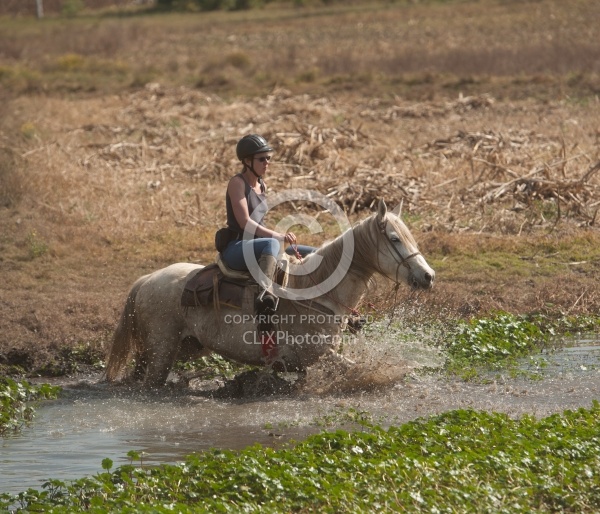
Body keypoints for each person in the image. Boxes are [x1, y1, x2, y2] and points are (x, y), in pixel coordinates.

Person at [221, 134, 313, 313]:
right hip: (236, 247)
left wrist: (278, 238)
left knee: (314, 252)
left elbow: (259, 223)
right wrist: (278, 236)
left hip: (260, 246)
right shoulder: (237, 183)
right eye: (262, 159)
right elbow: (245, 223)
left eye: (269, 158)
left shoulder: (262, 185)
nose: (267, 163)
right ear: (247, 161)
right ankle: (265, 294)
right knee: (272, 242)